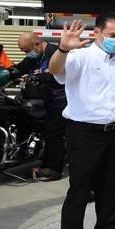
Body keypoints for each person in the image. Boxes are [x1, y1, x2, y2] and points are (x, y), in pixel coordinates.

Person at [49, 14, 115, 229]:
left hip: (111, 132)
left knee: (109, 191)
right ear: (98, 33)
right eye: (112, 35)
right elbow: (55, 70)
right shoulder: (80, 56)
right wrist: (64, 47)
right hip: (83, 132)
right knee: (80, 191)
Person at [16, 32, 67, 181]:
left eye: (27, 51)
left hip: (62, 100)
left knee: (54, 133)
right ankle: (44, 161)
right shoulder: (34, 58)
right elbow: (19, 68)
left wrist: (38, 77)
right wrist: (4, 73)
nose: (27, 54)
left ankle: (54, 169)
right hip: (46, 101)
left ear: (37, 44)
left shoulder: (54, 53)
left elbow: (56, 72)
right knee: (45, 131)